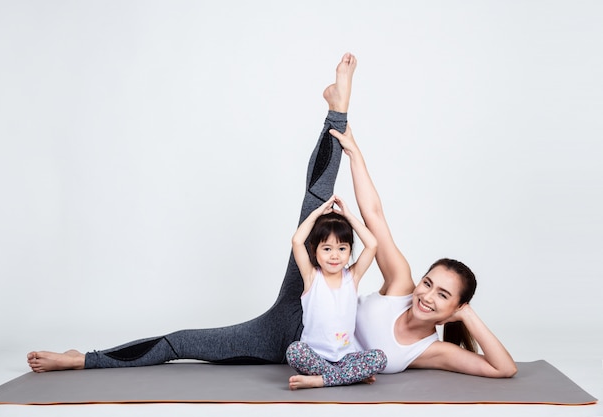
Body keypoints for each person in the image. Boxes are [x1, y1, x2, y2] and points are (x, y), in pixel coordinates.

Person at [27, 52, 358, 373]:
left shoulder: (398, 340)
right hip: (280, 323)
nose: (335, 253)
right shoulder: (331, 272)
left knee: (179, 343)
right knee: (179, 342)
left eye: (340, 249)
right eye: (334, 249)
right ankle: (84, 359)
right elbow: (361, 238)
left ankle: (84, 359)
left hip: (289, 347)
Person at [327, 124, 518, 378]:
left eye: (443, 295)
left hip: (321, 364)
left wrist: (467, 314)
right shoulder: (401, 286)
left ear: (456, 307)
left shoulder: (430, 351)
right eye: (428, 284)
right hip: (306, 323)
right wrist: (354, 152)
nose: (427, 297)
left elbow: (505, 369)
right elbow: (374, 215)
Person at [285, 195, 386, 389]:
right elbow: (297, 241)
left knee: (379, 358)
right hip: (315, 357)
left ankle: (322, 380)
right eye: (327, 248)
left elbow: (372, 244)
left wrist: (348, 215)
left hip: (346, 357)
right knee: (294, 351)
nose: (334, 255)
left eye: (342, 248)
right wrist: (317, 213)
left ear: (349, 251)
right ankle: (347, 377)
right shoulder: (311, 277)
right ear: (314, 251)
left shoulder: (352, 277)